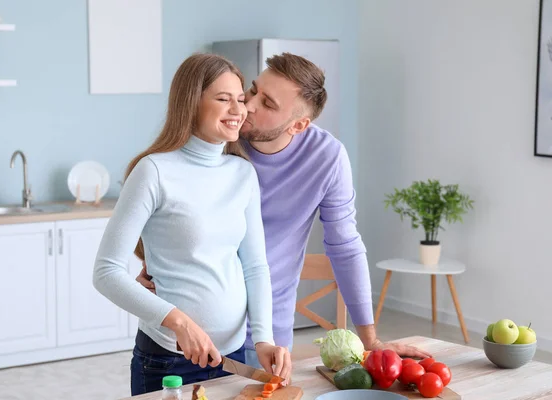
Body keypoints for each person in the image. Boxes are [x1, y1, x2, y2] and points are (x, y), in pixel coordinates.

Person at [136, 52, 432, 370]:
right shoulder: (217, 140)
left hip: (267, 336)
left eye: (268, 104)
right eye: (253, 90)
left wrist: (370, 339)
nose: (246, 105)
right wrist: (150, 260)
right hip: (194, 329)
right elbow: (164, 207)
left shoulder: (326, 158)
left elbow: (344, 246)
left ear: (299, 125)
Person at [92, 53, 291, 396]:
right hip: (169, 359)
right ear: (191, 103)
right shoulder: (153, 171)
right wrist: (179, 321)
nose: (238, 109)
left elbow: (255, 265)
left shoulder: (243, 174)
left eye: (240, 99)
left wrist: (263, 338)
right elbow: (106, 272)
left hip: (232, 355)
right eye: (223, 98)